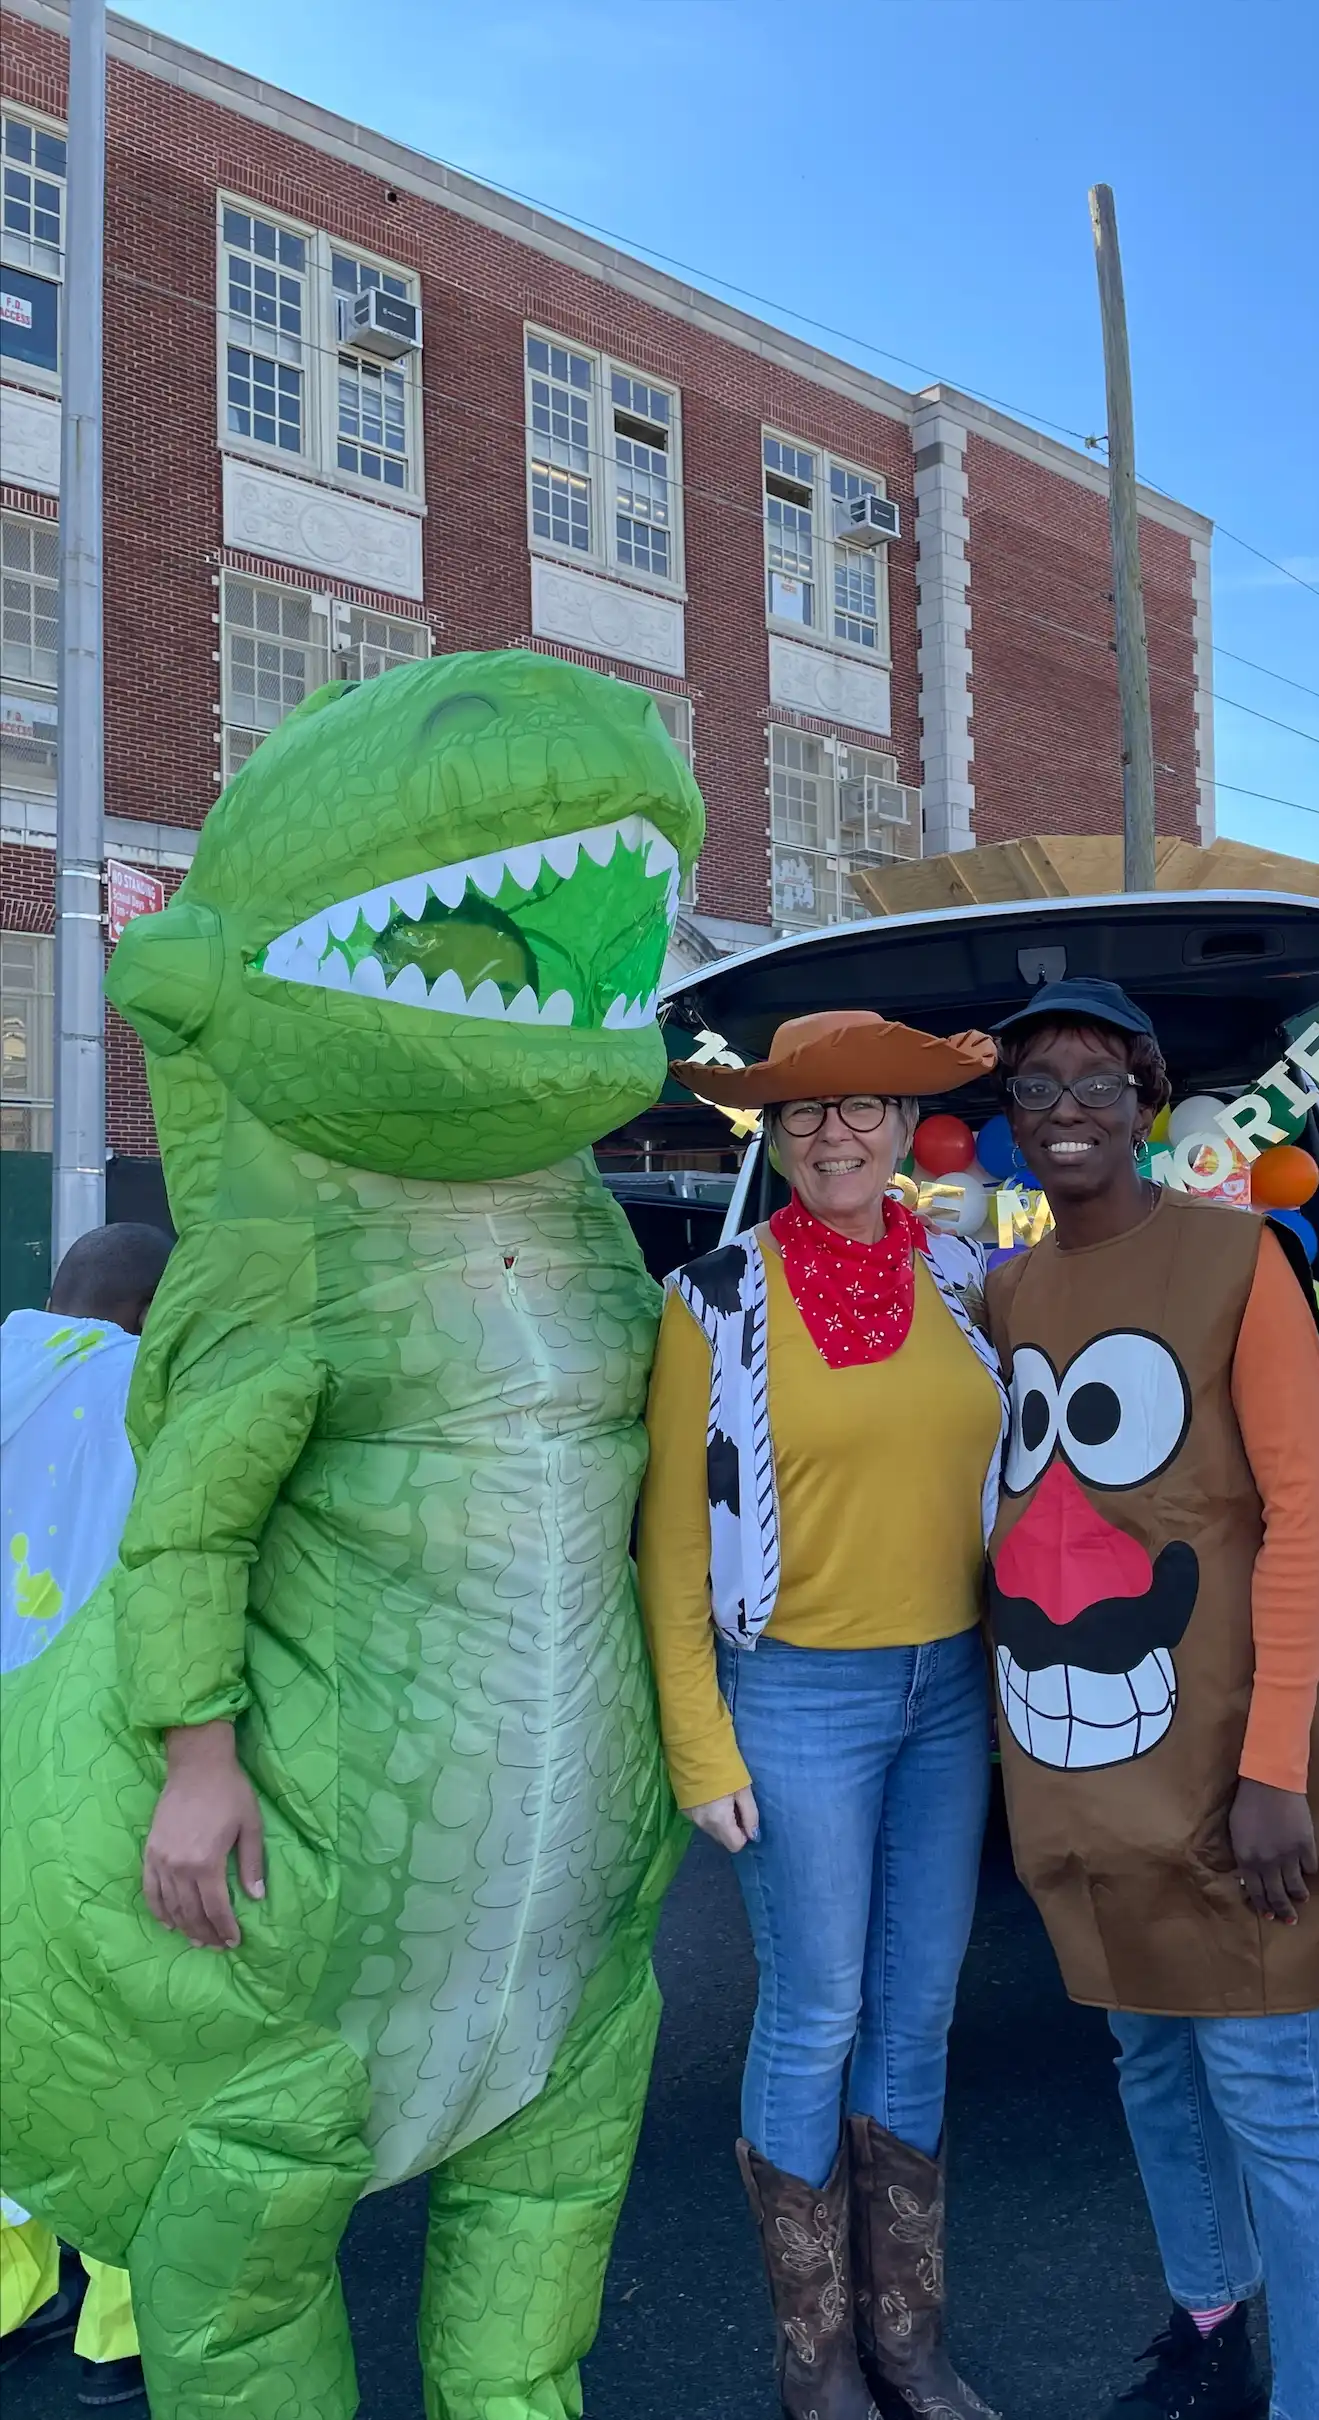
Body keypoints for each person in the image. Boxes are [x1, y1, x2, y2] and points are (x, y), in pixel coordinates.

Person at [0, 651, 703, 2418]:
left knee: (543, 2205)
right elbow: (191, 1524)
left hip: (572, 1879)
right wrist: (195, 1752)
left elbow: (652, 1509)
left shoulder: (600, 1243)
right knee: (244, 2250)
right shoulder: (274, 1255)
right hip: (309, 1862)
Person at [984, 978, 1319, 2420]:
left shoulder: (1238, 1262)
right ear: (1011, 1121)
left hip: (1234, 1759)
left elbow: (1304, 1515)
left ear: (1151, 1102)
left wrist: (1279, 1765)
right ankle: (1211, 2333)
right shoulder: (1013, 1288)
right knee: (1147, 2063)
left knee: (1276, 2094)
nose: (1069, 1111)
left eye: (1101, 1080)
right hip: (1088, 1761)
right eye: (1038, 1087)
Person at [641, 1009, 1008, 2420]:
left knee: (916, 2017)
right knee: (816, 2013)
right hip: (797, 1689)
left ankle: (905, 2333)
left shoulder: (970, 1281)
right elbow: (672, 1537)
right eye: (799, 1116)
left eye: (859, 1109)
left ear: (907, 1126)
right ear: (773, 1137)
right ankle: (818, 2358)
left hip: (949, 1687)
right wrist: (698, 1736)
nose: (831, 1135)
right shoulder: (715, 1299)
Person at [0, 1221, 171, 2412]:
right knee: (119, 2033)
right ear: (153, 1308)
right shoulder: (150, 1395)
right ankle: (118, 2320)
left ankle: (11, 2286)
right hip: (94, 1763)